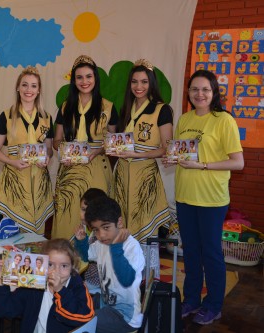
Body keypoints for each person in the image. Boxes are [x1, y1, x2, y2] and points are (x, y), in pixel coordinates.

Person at [166, 70, 244, 325]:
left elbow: (238, 163)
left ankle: (213, 305)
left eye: (205, 90)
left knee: (211, 253)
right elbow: (181, 153)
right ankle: (191, 299)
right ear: (188, 93)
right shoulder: (185, 119)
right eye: (194, 89)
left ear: (213, 93)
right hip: (185, 196)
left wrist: (204, 165)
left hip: (211, 199)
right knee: (190, 252)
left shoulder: (224, 120)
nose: (200, 94)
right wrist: (172, 157)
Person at [52, 55, 117, 239]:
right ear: (73, 80)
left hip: (97, 167)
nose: (84, 81)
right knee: (68, 215)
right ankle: (64, 261)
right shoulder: (65, 107)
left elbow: (115, 143)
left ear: (95, 78)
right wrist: (66, 149)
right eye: (79, 77)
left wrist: (97, 150)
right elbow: (57, 141)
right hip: (69, 171)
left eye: (89, 76)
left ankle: (95, 265)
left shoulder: (108, 107)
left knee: (96, 215)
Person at [112, 59, 174, 244]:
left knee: (144, 232)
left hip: (145, 176)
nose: (139, 86)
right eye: (134, 81)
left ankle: (144, 271)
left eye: (144, 82)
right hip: (122, 175)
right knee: (120, 226)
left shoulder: (162, 109)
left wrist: (137, 155)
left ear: (151, 83)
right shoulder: (126, 108)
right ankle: (123, 271)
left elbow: (167, 149)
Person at [0, 66, 54, 234]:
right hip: (15, 179)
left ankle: (33, 260)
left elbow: (49, 149)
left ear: (39, 90)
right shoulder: (7, 115)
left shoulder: (47, 118)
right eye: (25, 85)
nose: (29, 90)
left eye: (34, 86)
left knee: (36, 234)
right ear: (18, 87)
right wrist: (13, 162)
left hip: (38, 179)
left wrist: (47, 157)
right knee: (14, 231)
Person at [0, 238, 95, 333]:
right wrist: (0, 281)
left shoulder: (77, 286)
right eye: (50, 264)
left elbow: (85, 317)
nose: (56, 271)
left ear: (72, 267)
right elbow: (0, 309)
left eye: (64, 266)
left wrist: (60, 291)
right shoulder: (34, 284)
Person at [85, 196, 145, 332]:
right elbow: (86, 255)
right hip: (106, 304)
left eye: (106, 227)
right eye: (96, 230)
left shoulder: (132, 247)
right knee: (72, 306)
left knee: (82, 321)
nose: (101, 235)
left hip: (125, 316)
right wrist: (81, 240)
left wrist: (116, 248)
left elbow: (126, 280)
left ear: (119, 222)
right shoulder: (102, 243)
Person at [73, 188, 108, 310]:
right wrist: (81, 240)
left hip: (96, 286)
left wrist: (81, 241)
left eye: (88, 211)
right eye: (83, 209)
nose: (84, 215)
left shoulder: (101, 235)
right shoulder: (94, 230)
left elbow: (86, 256)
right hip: (92, 281)